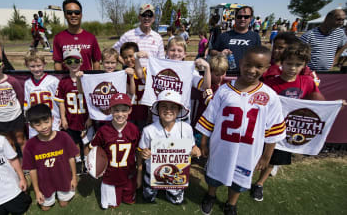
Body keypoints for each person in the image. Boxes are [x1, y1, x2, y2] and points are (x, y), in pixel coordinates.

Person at [196, 46, 286, 215]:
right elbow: (210, 117)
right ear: (241, 63)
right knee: (214, 174)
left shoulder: (270, 96)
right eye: (248, 65)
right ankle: (210, 195)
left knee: (240, 178)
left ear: (266, 68)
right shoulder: (224, 90)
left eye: (258, 66)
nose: (252, 70)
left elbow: (273, 130)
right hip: (221, 145)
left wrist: (267, 155)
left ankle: (231, 203)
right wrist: (203, 142)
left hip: (248, 149)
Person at [250, 42, 325, 202]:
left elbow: (317, 103)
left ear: (304, 65)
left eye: (298, 64)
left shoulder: (307, 82)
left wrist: (334, 106)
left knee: (274, 159)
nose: (292, 68)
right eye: (289, 63)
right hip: (263, 129)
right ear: (281, 63)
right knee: (256, 155)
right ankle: (246, 178)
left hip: (287, 131)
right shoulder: (269, 83)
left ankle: (260, 184)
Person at [137, 90, 201, 204]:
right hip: (153, 171)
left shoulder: (186, 128)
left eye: (173, 107)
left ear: (179, 110)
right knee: (148, 197)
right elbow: (141, 151)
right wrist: (143, 157)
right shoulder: (149, 130)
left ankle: (172, 192)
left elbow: (193, 146)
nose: (168, 110)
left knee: (177, 200)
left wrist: (196, 150)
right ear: (157, 109)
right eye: (164, 106)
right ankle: (150, 189)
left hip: (177, 172)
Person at [22, 104, 78, 211]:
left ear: (52, 119)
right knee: (45, 208)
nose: (43, 127)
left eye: (46, 122)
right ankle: (49, 195)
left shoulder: (63, 137)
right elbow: (32, 169)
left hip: (63, 179)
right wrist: (37, 190)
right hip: (45, 183)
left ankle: (62, 194)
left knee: (63, 204)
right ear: (31, 126)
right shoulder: (30, 145)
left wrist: (74, 178)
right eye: (38, 124)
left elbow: (71, 157)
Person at [89, 93, 140, 209]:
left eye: (124, 110)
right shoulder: (103, 130)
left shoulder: (134, 129)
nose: (120, 114)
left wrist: (139, 172)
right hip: (111, 175)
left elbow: (138, 151)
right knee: (114, 205)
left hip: (129, 174)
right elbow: (93, 149)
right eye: (116, 110)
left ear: (130, 110)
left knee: (129, 200)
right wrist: (94, 166)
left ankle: (127, 192)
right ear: (110, 110)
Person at [54, 48, 91, 174]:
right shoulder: (63, 81)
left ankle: (86, 163)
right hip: (71, 117)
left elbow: (92, 101)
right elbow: (61, 101)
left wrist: (90, 118)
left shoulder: (87, 78)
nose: (73, 64)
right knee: (74, 141)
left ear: (81, 61)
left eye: (76, 60)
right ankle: (77, 161)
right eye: (69, 61)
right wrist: (63, 117)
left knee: (86, 142)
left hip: (85, 117)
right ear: (65, 64)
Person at [53, 0, 101, 71]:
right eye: (69, 12)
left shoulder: (91, 37)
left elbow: (96, 61)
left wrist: (94, 79)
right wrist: (61, 80)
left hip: (86, 81)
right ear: (65, 15)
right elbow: (57, 63)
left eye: (77, 12)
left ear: (81, 15)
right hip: (68, 81)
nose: (73, 15)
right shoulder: (58, 38)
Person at [210, 6, 261, 71]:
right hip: (226, 75)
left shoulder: (255, 37)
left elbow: (260, 57)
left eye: (246, 17)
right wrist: (220, 54)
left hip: (247, 76)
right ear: (235, 18)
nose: (242, 19)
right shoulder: (224, 36)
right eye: (239, 16)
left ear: (250, 18)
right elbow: (211, 52)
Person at [24, 51, 60, 138]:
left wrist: (62, 117)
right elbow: (27, 103)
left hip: (52, 119)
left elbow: (60, 102)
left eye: (39, 65)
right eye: (32, 66)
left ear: (44, 64)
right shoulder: (27, 83)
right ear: (27, 66)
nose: (36, 69)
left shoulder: (53, 81)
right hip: (35, 120)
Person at [119, 42, 149, 131]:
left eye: (130, 56)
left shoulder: (145, 71)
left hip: (144, 113)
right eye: (125, 57)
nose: (128, 60)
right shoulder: (123, 74)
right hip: (129, 114)